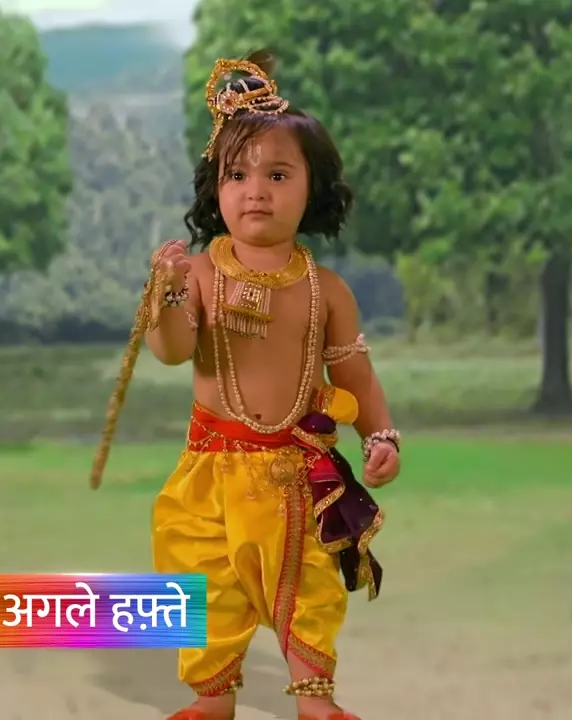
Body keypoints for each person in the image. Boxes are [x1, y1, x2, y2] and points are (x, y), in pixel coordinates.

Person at [142, 51, 400, 720]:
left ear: (313, 190)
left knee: (309, 585)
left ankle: (316, 700)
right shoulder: (201, 275)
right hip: (210, 471)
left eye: (277, 174)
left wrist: (381, 436)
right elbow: (171, 351)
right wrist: (167, 295)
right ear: (215, 188)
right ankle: (211, 697)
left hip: (295, 475)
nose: (255, 190)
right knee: (203, 578)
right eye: (237, 174)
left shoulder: (327, 291)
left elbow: (355, 376)